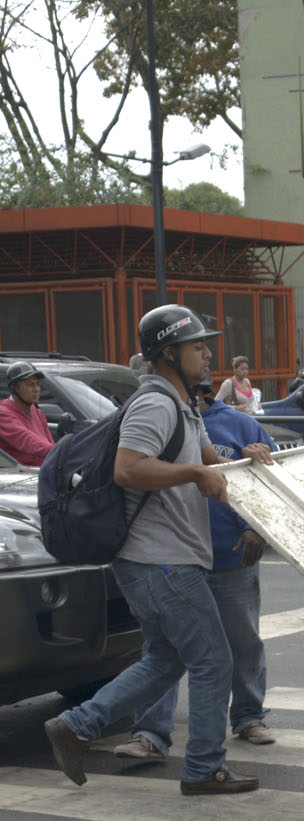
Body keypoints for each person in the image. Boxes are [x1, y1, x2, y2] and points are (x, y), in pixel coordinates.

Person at [44, 304, 273, 795]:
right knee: (213, 660)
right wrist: (193, 474)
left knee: (166, 661)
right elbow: (129, 468)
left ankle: (76, 725)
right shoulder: (156, 404)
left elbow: (214, 461)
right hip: (160, 561)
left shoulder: (186, 406)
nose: (207, 353)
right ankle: (205, 767)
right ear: (168, 353)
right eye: (196, 346)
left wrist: (245, 458)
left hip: (160, 562)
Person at [112, 381, 279, 763]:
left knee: (242, 642)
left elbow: (266, 481)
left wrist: (255, 527)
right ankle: (151, 734)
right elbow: (128, 475)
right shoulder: (154, 416)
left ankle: (249, 716)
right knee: (166, 650)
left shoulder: (237, 425)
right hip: (176, 559)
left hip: (229, 554)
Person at [0, 361, 55, 465]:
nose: (36, 389)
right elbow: (28, 442)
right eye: (30, 385)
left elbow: (49, 443)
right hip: (21, 476)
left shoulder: (37, 411)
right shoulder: (3, 413)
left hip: (45, 470)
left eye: (37, 384)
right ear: (14, 388)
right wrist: (62, 452)